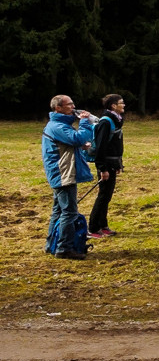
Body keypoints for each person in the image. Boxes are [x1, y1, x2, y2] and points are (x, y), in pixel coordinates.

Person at [41, 95, 97, 259]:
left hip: (61, 173)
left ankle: (51, 244)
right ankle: (64, 248)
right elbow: (77, 137)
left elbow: (69, 143)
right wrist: (85, 122)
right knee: (70, 212)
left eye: (73, 103)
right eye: (69, 104)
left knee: (58, 211)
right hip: (63, 175)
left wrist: (80, 145)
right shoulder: (57, 126)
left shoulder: (59, 125)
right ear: (58, 108)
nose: (73, 107)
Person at [87, 93, 125, 237]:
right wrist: (102, 169)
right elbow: (101, 148)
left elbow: (114, 145)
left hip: (111, 164)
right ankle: (93, 228)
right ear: (113, 106)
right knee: (103, 196)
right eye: (121, 102)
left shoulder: (116, 120)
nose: (124, 105)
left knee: (107, 196)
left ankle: (103, 225)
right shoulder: (106, 122)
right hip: (105, 165)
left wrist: (117, 165)